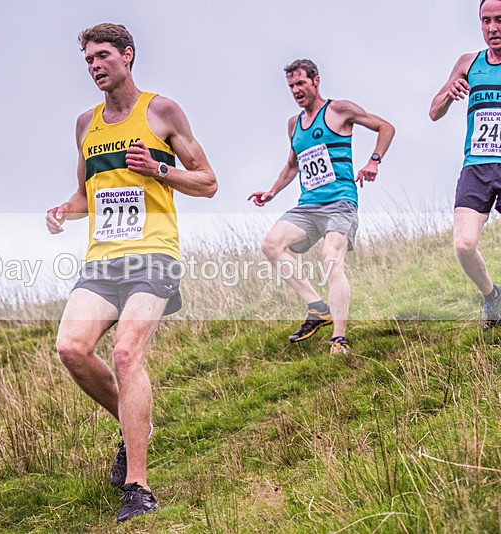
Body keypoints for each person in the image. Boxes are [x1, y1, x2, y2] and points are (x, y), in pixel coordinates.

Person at [45, 23, 216, 523]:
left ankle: (138, 487)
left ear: (128, 55)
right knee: (71, 349)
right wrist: (63, 210)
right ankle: (132, 420)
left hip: (153, 255)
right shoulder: (85, 124)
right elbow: (85, 193)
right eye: (88, 61)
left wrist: (159, 170)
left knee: (124, 353)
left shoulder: (161, 111)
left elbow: (207, 182)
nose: (95, 66)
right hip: (101, 260)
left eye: (103, 56)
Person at [249, 59, 395, 354]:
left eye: (301, 83)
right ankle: (317, 307)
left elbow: (385, 127)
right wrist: (272, 192)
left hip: (340, 202)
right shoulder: (294, 125)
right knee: (271, 245)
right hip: (308, 206)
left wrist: (373, 161)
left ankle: (339, 338)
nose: (296, 90)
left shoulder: (339, 110)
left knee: (331, 260)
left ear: (316, 81)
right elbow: (293, 165)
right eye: (291, 86)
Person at [430, 0, 501, 329]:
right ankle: (492, 296)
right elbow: (434, 111)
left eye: (499, 20)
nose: (492, 28)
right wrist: (449, 92)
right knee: (463, 244)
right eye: (485, 21)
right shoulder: (469, 63)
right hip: (476, 166)